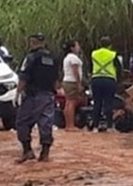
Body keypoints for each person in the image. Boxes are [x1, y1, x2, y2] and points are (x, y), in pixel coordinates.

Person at [15, 33, 60, 163]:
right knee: (46, 123)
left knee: (22, 122)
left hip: (33, 96)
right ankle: (45, 154)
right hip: (48, 95)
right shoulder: (53, 58)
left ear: (32, 42)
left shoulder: (31, 57)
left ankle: (27, 151)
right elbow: (56, 80)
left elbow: (24, 77)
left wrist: (18, 93)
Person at [90, 36, 121, 132]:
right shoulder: (112, 54)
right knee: (108, 103)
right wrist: (119, 80)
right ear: (110, 45)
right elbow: (118, 68)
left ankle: (95, 126)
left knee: (97, 103)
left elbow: (90, 67)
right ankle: (109, 126)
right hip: (109, 80)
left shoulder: (94, 54)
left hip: (96, 79)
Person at [60, 39, 86, 131]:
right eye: (77, 45)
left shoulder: (67, 57)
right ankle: (70, 125)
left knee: (68, 103)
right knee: (72, 103)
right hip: (72, 82)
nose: (79, 48)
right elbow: (75, 71)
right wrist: (79, 83)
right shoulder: (73, 58)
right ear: (72, 48)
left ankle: (68, 124)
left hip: (66, 80)